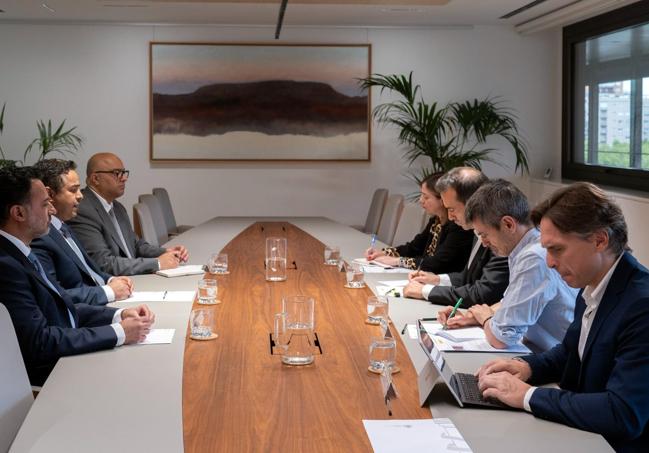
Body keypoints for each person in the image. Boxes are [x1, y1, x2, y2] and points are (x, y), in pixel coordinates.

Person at [477, 182, 649, 451]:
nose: (549, 262)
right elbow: (570, 352)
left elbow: (623, 413)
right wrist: (527, 367)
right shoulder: (592, 283)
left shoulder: (642, 305)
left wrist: (528, 396)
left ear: (599, 240)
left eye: (556, 249)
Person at [0, 166, 154, 386]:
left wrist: (118, 315)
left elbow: (63, 306)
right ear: (19, 213)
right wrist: (118, 333)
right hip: (54, 378)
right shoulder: (7, 266)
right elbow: (41, 342)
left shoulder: (23, 252)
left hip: (70, 357)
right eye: (44, 204)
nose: (52, 211)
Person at [437, 180, 577, 352]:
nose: (484, 243)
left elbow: (501, 339)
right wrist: (472, 316)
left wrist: (486, 319)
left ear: (508, 224)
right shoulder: (524, 248)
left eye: (485, 235)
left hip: (555, 363)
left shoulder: (533, 257)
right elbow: (511, 302)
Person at [31, 159, 134, 305]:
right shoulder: (40, 237)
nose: (80, 195)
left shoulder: (63, 226)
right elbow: (55, 296)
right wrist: (109, 291)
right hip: (89, 311)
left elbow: (89, 270)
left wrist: (110, 279)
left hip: (104, 301)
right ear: (50, 195)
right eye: (73, 190)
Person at [403, 167, 509, 307]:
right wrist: (436, 279)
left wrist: (425, 291)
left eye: (452, 209)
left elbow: (485, 293)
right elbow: (468, 277)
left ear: (473, 202)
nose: (450, 217)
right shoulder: (476, 231)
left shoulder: (500, 234)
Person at [68, 152, 189, 275]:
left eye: (124, 173)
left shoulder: (117, 207)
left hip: (133, 276)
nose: (124, 178)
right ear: (95, 179)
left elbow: (136, 245)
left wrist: (165, 252)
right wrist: (157, 263)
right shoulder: (83, 210)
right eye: (117, 173)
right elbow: (102, 263)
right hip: (116, 284)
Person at [364, 173, 474, 273]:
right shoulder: (436, 220)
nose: (421, 200)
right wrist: (384, 252)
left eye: (426, 197)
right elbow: (415, 247)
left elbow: (437, 263)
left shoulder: (459, 226)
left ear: (442, 200)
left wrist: (398, 261)